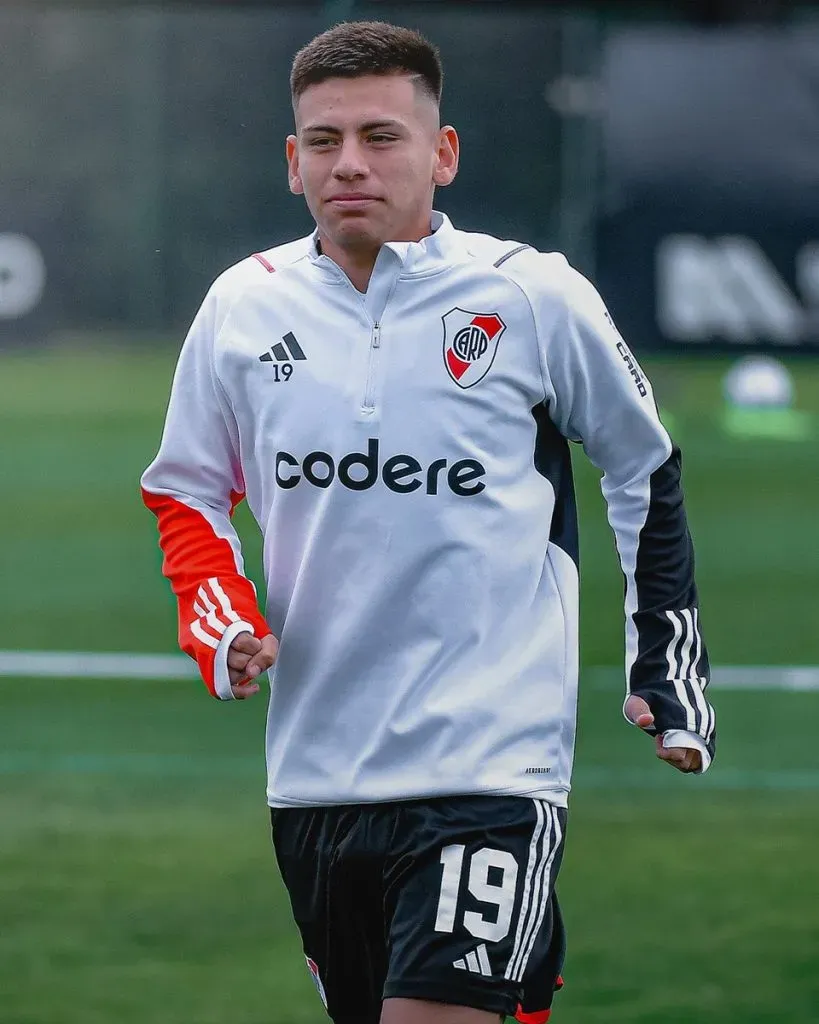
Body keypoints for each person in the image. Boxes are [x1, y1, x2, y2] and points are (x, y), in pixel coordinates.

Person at [141, 20, 716, 1024]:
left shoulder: (531, 296)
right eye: (323, 141)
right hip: (314, 779)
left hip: (490, 765)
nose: (350, 163)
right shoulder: (242, 307)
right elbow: (187, 487)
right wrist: (222, 619)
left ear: (441, 153)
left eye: (381, 136)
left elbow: (643, 462)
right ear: (292, 162)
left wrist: (665, 661)